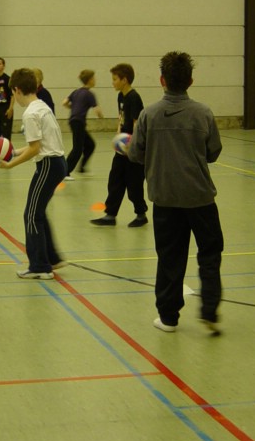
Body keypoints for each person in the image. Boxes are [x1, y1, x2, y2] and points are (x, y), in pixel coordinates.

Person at [128, 52, 223, 334]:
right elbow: (213, 152)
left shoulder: (149, 114)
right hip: (200, 197)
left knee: (170, 256)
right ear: (190, 81)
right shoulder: (203, 113)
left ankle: (168, 316)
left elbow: (136, 154)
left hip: (165, 198)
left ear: (162, 80)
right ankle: (209, 309)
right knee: (210, 251)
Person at [0, 68, 67, 280]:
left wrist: (10, 165)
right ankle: (52, 258)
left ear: (17, 90)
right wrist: (13, 151)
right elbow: (39, 144)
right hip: (57, 162)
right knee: (39, 212)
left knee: (31, 214)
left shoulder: (30, 114)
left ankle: (40, 267)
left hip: (48, 166)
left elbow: (35, 149)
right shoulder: (42, 106)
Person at [90, 63, 148, 227]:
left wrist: (133, 146)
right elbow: (121, 118)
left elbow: (137, 124)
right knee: (115, 179)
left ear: (125, 80)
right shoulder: (121, 96)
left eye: (115, 79)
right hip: (122, 148)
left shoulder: (134, 98)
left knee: (134, 183)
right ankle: (110, 215)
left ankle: (141, 214)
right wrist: (118, 136)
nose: (112, 82)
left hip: (133, 149)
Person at [63, 69, 104, 178]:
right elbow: (97, 110)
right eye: (94, 78)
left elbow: (64, 102)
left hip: (73, 121)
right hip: (78, 122)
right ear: (90, 80)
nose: (95, 80)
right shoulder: (89, 94)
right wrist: (101, 117)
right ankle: (65, 172)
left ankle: (81, 168)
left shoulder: (76, 92)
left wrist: (73, 108)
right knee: (77, 148)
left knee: (90, 145)